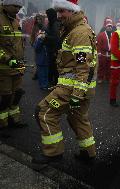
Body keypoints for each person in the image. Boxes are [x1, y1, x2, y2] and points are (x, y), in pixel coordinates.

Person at [32, 0, 97, 164]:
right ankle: (88, 153)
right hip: (79, 87)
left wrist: (76, 95)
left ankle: (53, 153)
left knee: (45, 112)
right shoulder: (73, 29)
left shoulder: (79, 33)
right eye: (58, 12)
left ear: (73, 11)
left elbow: (83, 67)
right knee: (77, 118)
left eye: (62, 12)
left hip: (72, 87)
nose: (59, 15)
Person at [0, 0, 26, 129]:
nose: (17, 9)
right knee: (5, 97)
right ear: (5, 4)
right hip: (3, 69)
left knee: (17, 94)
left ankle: (14, 120)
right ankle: (2, 124)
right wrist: (7, 58)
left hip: (17, 67)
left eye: (19, 7)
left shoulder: (15, 21)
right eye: (15, 6)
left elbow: (18, 44)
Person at [45, 8, 61, 88]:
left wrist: (46, 38)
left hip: (55, 49)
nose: (47, 17)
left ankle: (55, 84)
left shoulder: (55, 23)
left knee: (54, 67)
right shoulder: (52, 22)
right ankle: (52, 82)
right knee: (52, 66)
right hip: (51, 48)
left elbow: (56, 38)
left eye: (48, 15)